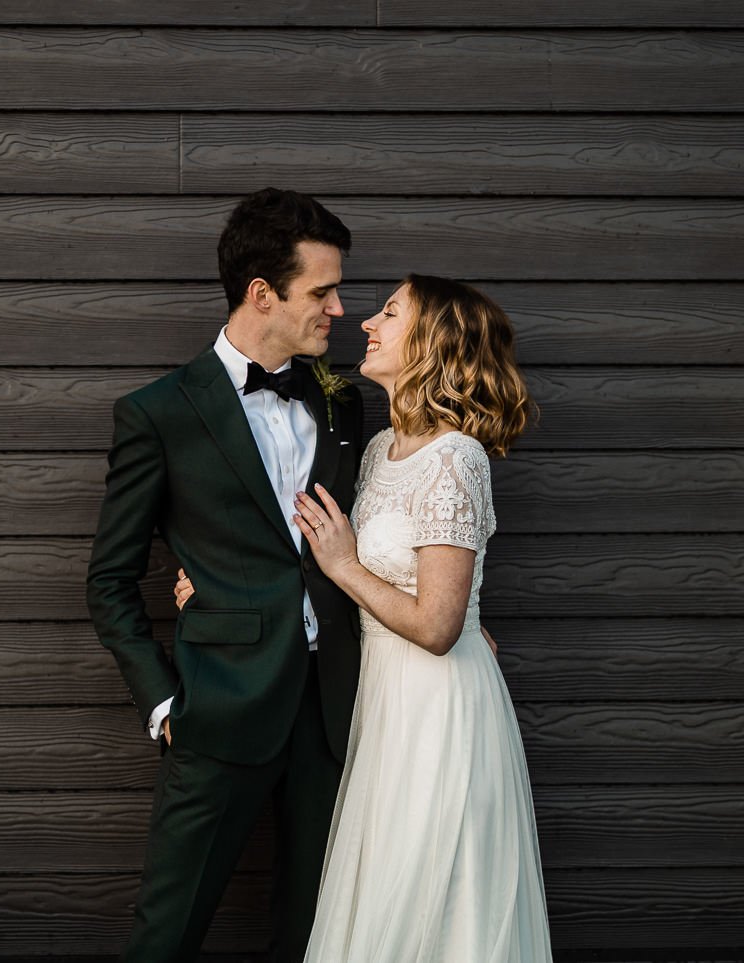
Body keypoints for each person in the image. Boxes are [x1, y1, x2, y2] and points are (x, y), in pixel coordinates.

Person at [182, 274, 553, 959]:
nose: (365, 324)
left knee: (432, 898)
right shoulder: (380, 448)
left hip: (435, 708)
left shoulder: (456, 457)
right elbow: (311, 559)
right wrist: (219, 587)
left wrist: (345, 566)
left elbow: (437, 627)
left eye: (389, 312)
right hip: (379, 699)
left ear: (432, 341)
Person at [85, 188, 366, 961]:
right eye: (321, 291)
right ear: (261, 293)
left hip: (333, 713)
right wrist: (165, 704)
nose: (338, 309)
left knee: (316, 936)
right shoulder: (160, 412)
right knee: (166, 935)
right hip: (218, 709)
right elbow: (108, 579)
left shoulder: (345, 405)